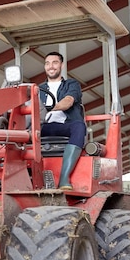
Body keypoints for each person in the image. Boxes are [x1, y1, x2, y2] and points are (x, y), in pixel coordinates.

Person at [39, 52, 86, 190]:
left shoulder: (71, 84)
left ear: (61, 65)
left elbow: (68, 101)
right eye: (47, 63)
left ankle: (64, 177)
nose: (51, 66)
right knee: (21, 130)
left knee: (79, 127)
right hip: (43, 126)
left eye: (54, 62)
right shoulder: (38, 89)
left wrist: (48, 109)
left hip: (65, 125)